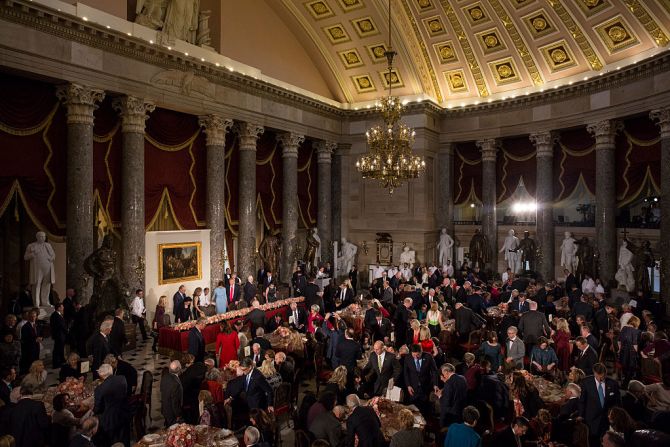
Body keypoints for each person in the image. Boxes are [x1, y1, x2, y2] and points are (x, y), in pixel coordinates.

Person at [579, 363, 621, 446]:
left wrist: (615, 417)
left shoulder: (613, 384)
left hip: (607, 421)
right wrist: (581, 415)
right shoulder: (586, 383)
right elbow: (582, 401)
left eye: (603, 376)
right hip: (591, 420)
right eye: (599, 376)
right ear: (594, 373)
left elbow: (618, 403)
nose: (601, 378)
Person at [93, 363, 128, 446]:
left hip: (109, 420)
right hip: (124, 413)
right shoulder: (122, 378)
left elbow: (98, 409)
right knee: (124, 439)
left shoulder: (100, 389)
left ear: (101, 375)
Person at [403, 343, 438, 416]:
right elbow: (406, 373)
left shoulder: (428, 357)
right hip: (413, 387)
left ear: (421, 351)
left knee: (425, 408)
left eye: (418, 355)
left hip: (425, 386)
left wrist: (435, 384)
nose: (415, 357)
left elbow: (434, 371)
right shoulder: (408, 358)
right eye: (414, 355)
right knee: (413, 408)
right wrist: (408, 385)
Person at [23, 231, 55, 308]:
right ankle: (36, 302)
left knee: (46, 285)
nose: (42, 238)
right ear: (37, 237)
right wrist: (33, 254)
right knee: (36, 284)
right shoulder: (31, 246)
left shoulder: (48, 245)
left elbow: (53, 255)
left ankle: (45, 302)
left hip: (47, 268)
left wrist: (51, 258)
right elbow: (25, 257)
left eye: (44, 236)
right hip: (37, 268)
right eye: (41, 236)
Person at [438, 362, 467, 427]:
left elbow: (446, 403)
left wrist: (440, 396)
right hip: (461, 412)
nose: (443, 375)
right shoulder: (463, 378)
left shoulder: (448, 383)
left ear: (446, 371)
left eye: (443, 373)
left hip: (451, 415)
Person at [618, 315, 640, 385]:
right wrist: (637, 353)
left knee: (626, 368)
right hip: (630, 355)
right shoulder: (635, 331)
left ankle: (625, 381)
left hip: (623, 354)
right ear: (636, 323)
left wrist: (620, 349)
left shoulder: (624, 328)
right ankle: (628, 383)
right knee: (633, 367)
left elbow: (619, 341)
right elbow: (635, 345)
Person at [160, 360, 183, 426]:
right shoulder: (176, 383)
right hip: (172, 413)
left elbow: (162, 391)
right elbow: (175, 401)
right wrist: (178, 414)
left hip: (165, 409)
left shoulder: (165, 377)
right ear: (178, 369)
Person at [19, 309, 40, 374]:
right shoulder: (25, 327)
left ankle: (36, 374)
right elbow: (24, 339)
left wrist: (41, 338)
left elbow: (40, 334)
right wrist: (35, 340)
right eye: (31, 316)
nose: (33, 318)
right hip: (29, 349)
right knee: (30, 364)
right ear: (28, 317)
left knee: (36, 362)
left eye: (34, 316)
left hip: (36, 347)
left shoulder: (36, 325)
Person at [50, 302, 68, 367]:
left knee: (60, 348)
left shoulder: (58, 314)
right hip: (59, 335)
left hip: (61, 335)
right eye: (62, 307)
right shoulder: (55, 315)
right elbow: (61, 325)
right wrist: (67, 330)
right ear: (58, 308)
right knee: (57, 349)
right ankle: (56, 363)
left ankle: (61, 361)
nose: (63, 308)